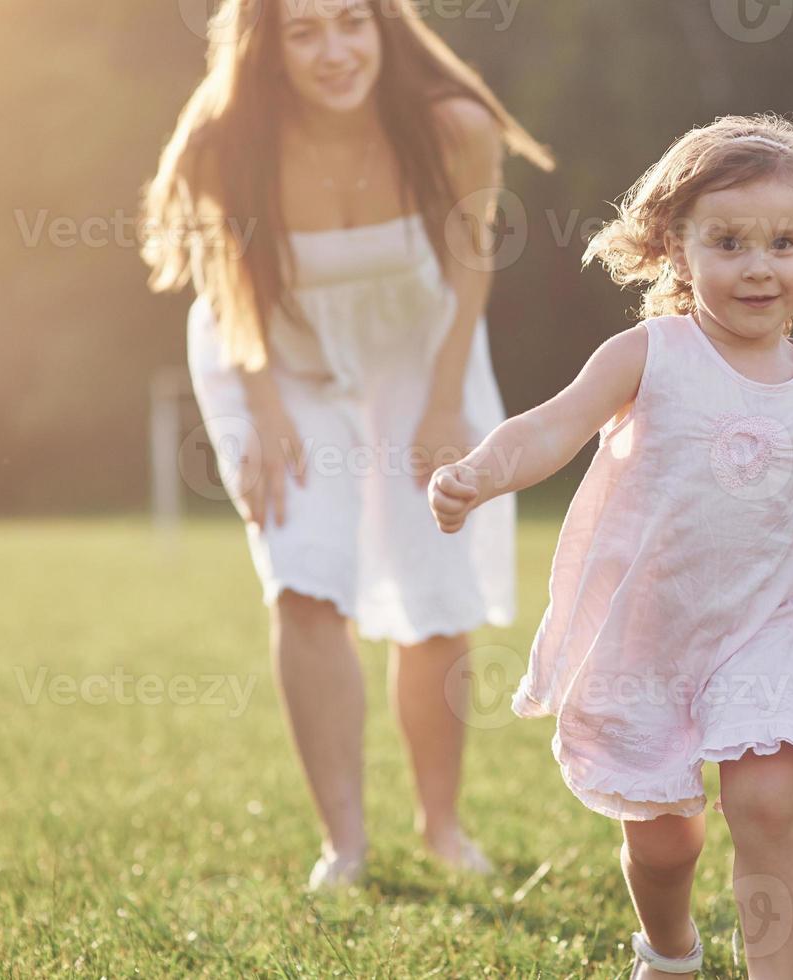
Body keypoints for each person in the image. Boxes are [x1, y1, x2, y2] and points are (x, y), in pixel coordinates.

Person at [427, 112, 793, 978]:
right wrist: (479, 473)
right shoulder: (649, 355)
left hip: (760, 636)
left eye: (783, 242)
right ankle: (669, 954)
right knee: (666, 845)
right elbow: (551, 430)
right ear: (678, 248)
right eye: (729, 242)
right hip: (648, 638)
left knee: (771, 801)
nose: (758, 266)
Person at [139, 0, 554, 892]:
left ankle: (443, 828)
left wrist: (444, 404)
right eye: (303, 30)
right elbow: (227, 280)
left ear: (384, 27)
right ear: (267, 45)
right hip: (273, 358)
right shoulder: (225, 141)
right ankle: (346, 846)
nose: (334, 51)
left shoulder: (454, 124)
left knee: (436, 593)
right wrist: (262, 414)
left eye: (352, 22)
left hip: (421, 353)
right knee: (303, 578)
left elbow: (469, 263)